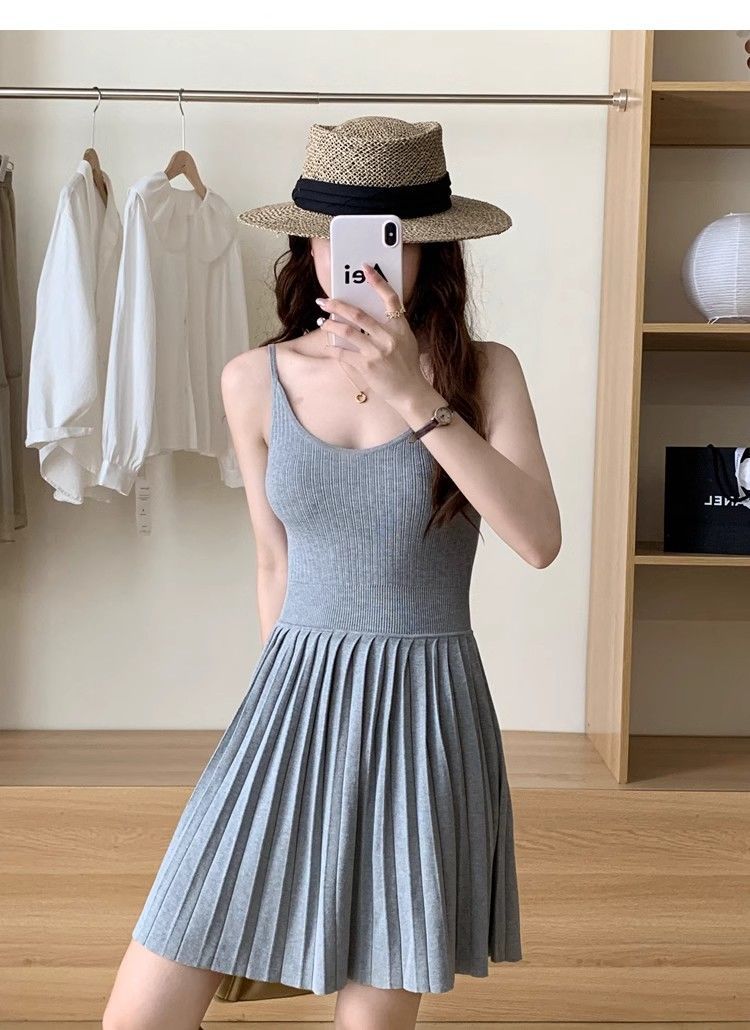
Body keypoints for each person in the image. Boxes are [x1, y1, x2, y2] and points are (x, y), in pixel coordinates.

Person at [103, 115, 561, 1030]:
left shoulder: (485, 374)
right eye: (331, 237)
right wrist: (272, 722)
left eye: (387, 240)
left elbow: (538, 539)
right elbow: (272, 560)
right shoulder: (252, 379)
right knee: (141, 1013)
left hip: (426, 713)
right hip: (290, 700)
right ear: (307, 245)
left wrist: (415, 396)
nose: (353, 261)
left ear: (429, 250)